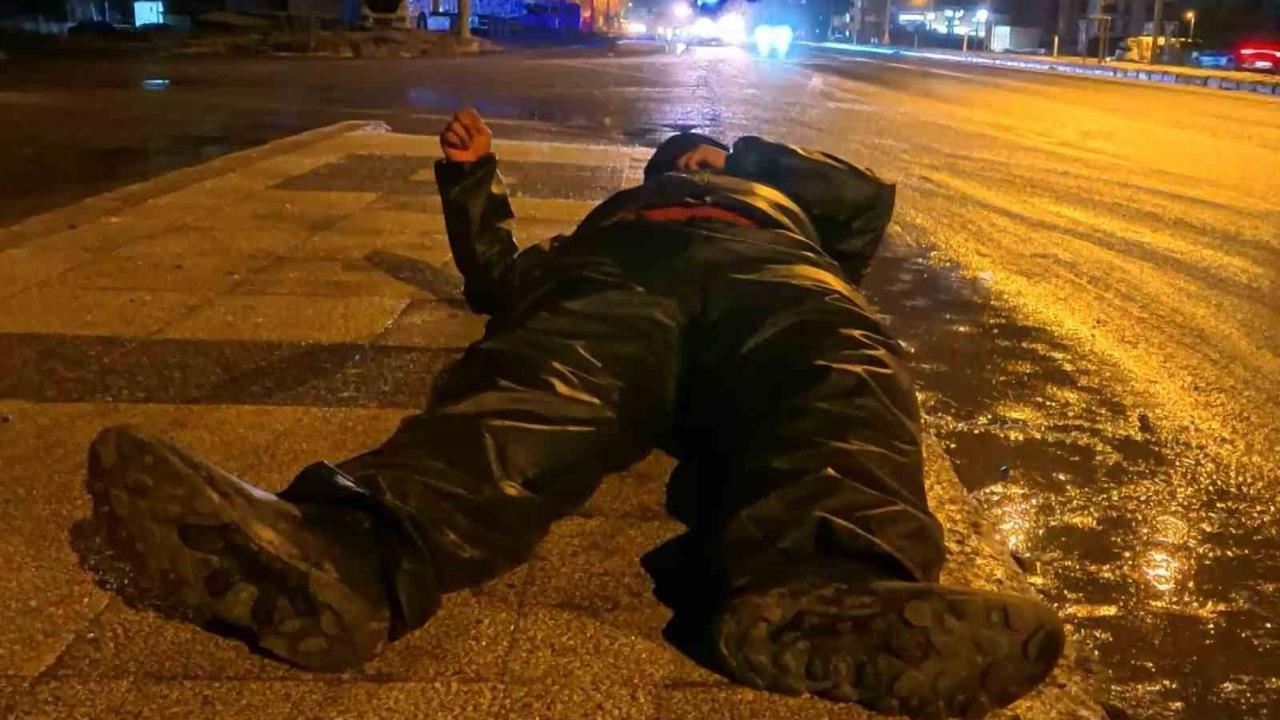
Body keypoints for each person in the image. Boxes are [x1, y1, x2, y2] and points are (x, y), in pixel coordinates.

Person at [85, 109, 1064, 718]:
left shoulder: (789, 209)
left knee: (843, 375)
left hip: (777, 287)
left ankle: (831, 585)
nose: (699, 162)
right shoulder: (612, 221)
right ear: (654, 176)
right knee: (533, 388)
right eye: (683, 158)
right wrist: (472, 178)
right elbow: (498, 279)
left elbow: (863, 200)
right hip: (614, 288)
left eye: (711, 155)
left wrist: (747, 158)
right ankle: (350, 557)